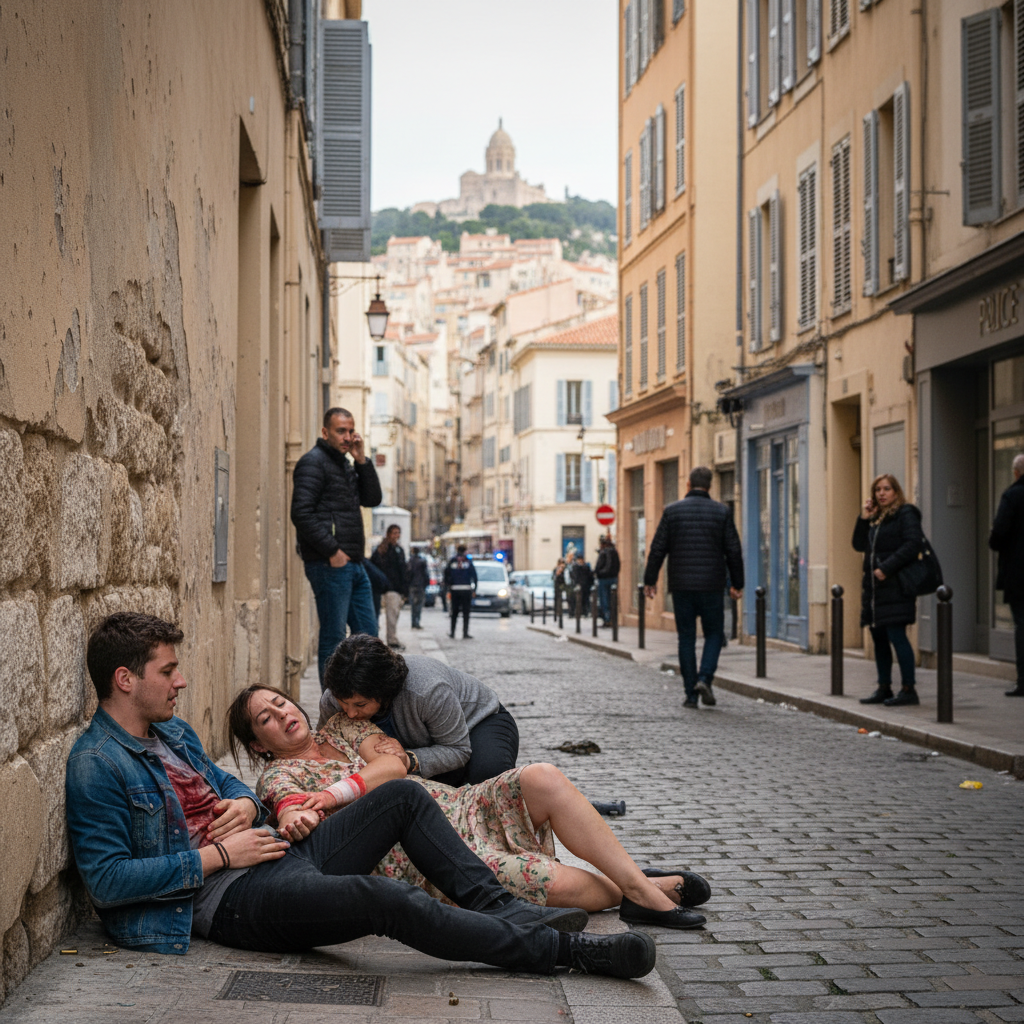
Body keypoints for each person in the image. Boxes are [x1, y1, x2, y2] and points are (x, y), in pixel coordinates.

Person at [65, 612, 657, 979]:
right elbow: (109, 884)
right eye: (168, 671)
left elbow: (227, 786)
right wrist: (222, 857)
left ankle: (505, 909)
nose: (181, 680)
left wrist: (245, 806)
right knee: (385, 899)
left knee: (403, 799)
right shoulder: (97, 764)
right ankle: (561, 952)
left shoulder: (171, 732)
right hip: (231, 896)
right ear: (125, 679)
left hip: (273, 850)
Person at [229, 682, 711, 931]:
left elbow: (392, 765)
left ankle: (639, 892)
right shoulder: (280, 775)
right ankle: (642, 886)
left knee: (541, 776)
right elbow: (287, 805)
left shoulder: (340, 727)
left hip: (463, 805)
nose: (283, 714)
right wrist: (297, 816)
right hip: (432, 856)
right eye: (266, 719)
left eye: (281, 702)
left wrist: (339, 792)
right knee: (557, 884)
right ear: (259, 745)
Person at [316, 634, 520, 786]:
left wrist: (409, 759)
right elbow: (326, 745)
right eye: (344, 703)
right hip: (425, 742)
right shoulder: (333, 698)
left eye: (361, 705)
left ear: (384, 692)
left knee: (489, 778)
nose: (350, 714)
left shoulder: (426, 690)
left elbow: (457, 749)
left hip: (479, 722)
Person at [291, 407, 381, 685]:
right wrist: (332, 551)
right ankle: (332, 710)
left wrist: (362, 460)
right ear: (325, 432)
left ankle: (364, 703)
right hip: (329, 564)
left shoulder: (346, 463)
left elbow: (373, 499)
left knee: (368, 638)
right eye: (340, 431)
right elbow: (301, 513)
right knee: (333, 637)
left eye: (350, 430)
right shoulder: (313, 462)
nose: (347, 436)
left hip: (354, 564)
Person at [644, 466, 744, 709]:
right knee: (713, 634)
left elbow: (658, 549)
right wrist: (737, 584)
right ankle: (704, 678)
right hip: (711, 585)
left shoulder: (672, 511)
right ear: (709, 486)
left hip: (682, 586)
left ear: (688, 484)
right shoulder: (722, 511)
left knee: (686, 638)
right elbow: (733, 550)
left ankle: (691, 694)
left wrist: (650, 580)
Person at [852, 474, 924, 707]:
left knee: (897, 636)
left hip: (895, 587)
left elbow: (913, 544)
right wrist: (864, 518)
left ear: (896, 492)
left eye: (887, 489)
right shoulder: (877, 518)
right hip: (875, 591)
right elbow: (858, 544)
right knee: (879, 638)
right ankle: (884, 687)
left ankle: (908, 688)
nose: (882, 493)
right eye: (878, 490)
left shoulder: (906, 513)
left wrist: (886, 567)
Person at [990, 452, 1024, 696]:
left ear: (1016, 472)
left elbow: (998, 534)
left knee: (1022, 624)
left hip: (1019, 572)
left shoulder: (1012, 495)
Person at [371, 524, 408, 650]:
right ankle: (390, 640)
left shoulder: (399, 550)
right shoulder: (382, 550)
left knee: (394, 614)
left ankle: (390, 638)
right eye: (394, 533)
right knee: (388, 616)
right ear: (388, 534)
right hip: (387, 588)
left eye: (398, 533)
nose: (396, 535)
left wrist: (404, 590)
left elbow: (403, 571)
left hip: (396, 588)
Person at [443, 544, 477, 639]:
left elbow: (446, 574)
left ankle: (452, 632)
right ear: (465, 550)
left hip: (455, 589)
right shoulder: (468, 561)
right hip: (466, 589)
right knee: (466, 612)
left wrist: (448, 587)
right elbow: (474, 575)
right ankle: (465, 633)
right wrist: (474, 589)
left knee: (454, 612)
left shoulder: (452, 560)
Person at [594, 536, 621, 627]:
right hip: (613, 578)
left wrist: (599, 573)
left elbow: (602, 566)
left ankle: (607, 619)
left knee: (604, 600)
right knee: (612, 599)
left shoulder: (605, 552)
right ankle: (613, 619)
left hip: (604, 579)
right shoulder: (615, 551)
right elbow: (618, 565)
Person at [407, 548, 430, 630]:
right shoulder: (422, 561)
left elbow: (408, 574)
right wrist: (426, 584)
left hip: (413, 585)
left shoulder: (410, 561)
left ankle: (413, 622)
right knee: (419, 604)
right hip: (420, 585)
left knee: (413, 605)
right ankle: (417, 622)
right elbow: (426, 574)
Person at [571, 553, 595, 617]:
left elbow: (590, 576)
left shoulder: (586, 566)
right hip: (579, 585)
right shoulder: (575, 566)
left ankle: (585, 612)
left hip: (586, 586)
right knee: (578, 600)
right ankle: (579, 612)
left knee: (586, 599)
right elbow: (574, 576)